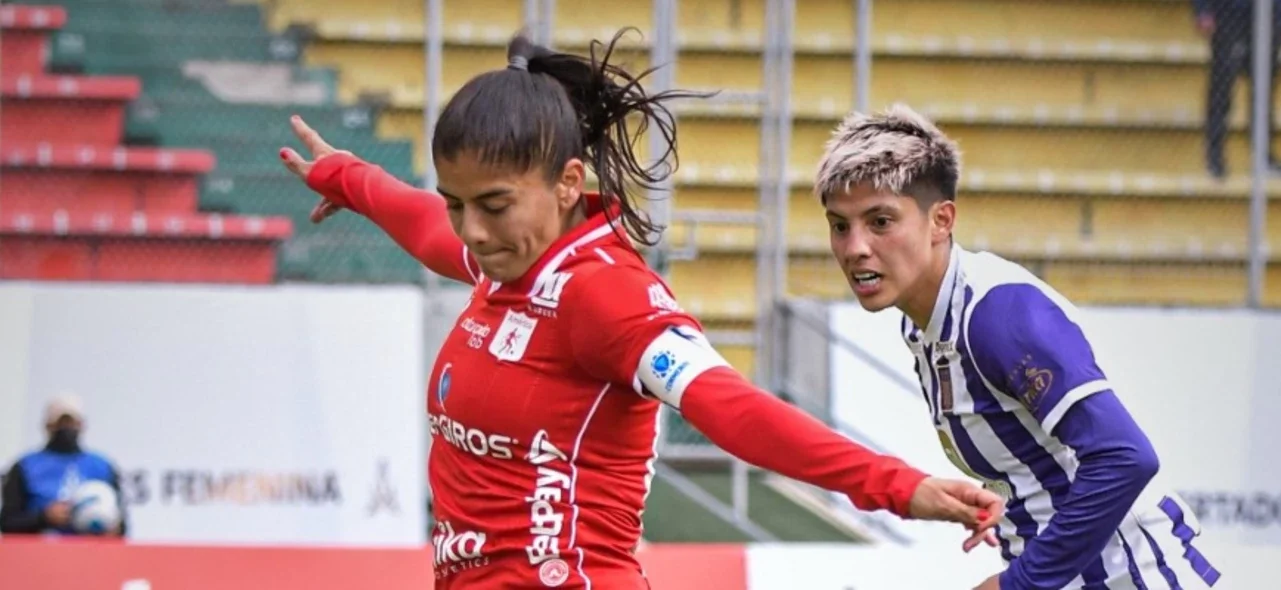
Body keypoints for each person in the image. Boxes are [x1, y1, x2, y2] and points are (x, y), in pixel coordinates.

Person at [280, 29, 1003, 589]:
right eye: (457, 204)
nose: (470, 229)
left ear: (568, 183)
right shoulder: (508, 260)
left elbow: (732, 408)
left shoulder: (604, 296)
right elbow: (421, 224)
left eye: (493, 205)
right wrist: (346, 177)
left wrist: (897, 485)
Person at [813, 103, 1222, 590]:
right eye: (840, 225)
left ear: (942, 220)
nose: (855, 247)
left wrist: (1018, 584)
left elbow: (1124, 457)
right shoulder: (922, 323)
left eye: (880, 222)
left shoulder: (997, 314)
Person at [0, 395, 128, 537]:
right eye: (61, 422)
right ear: (48, 426)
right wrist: (44, 518)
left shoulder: (103, 467)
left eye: (71, 422)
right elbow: (7, 522)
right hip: (42, 548)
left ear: (81, 425)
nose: (66, 428)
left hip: (88, 549)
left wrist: (106, 525)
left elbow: (122, 525)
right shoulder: (25, 467)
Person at [1192, 0, 1280, 178]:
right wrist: (1202, 10)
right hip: (1229, 11)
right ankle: (1214, 154)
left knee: (1263, 86)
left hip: (1268, 14)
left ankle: (1263, 155)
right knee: (1223, 81)